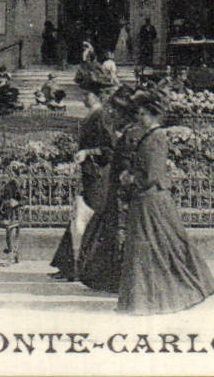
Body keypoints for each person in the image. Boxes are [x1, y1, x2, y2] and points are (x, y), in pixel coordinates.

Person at [116, 90, 214, 314]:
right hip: (144, 199)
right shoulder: (147, 135)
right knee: (150, 249)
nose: (139, 118)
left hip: (151, 199)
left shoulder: (156, 137)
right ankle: (146, 299)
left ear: (153, 115)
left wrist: (130, 178)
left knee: (158, 247)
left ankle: (177, 291)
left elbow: (152, 174)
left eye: (143, 114)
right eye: (138, 114)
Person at [51, 63, 118, 281]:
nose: (83, 98)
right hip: (91, 174)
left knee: (90, 219)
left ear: (96, 96)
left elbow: (110, 149)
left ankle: (81, 267)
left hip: (100, 175)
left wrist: (88, 152)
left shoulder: (102, 116)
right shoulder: (93, 115)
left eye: (86, 94)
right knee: (81, 218)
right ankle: (71, 265)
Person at [77, 86, 146, 291]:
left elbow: (125, 158)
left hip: (123, 190)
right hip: (115, 187)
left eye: (116, 110)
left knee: (120, 233)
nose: (112, 113)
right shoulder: (123, 130)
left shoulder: (132, 132)